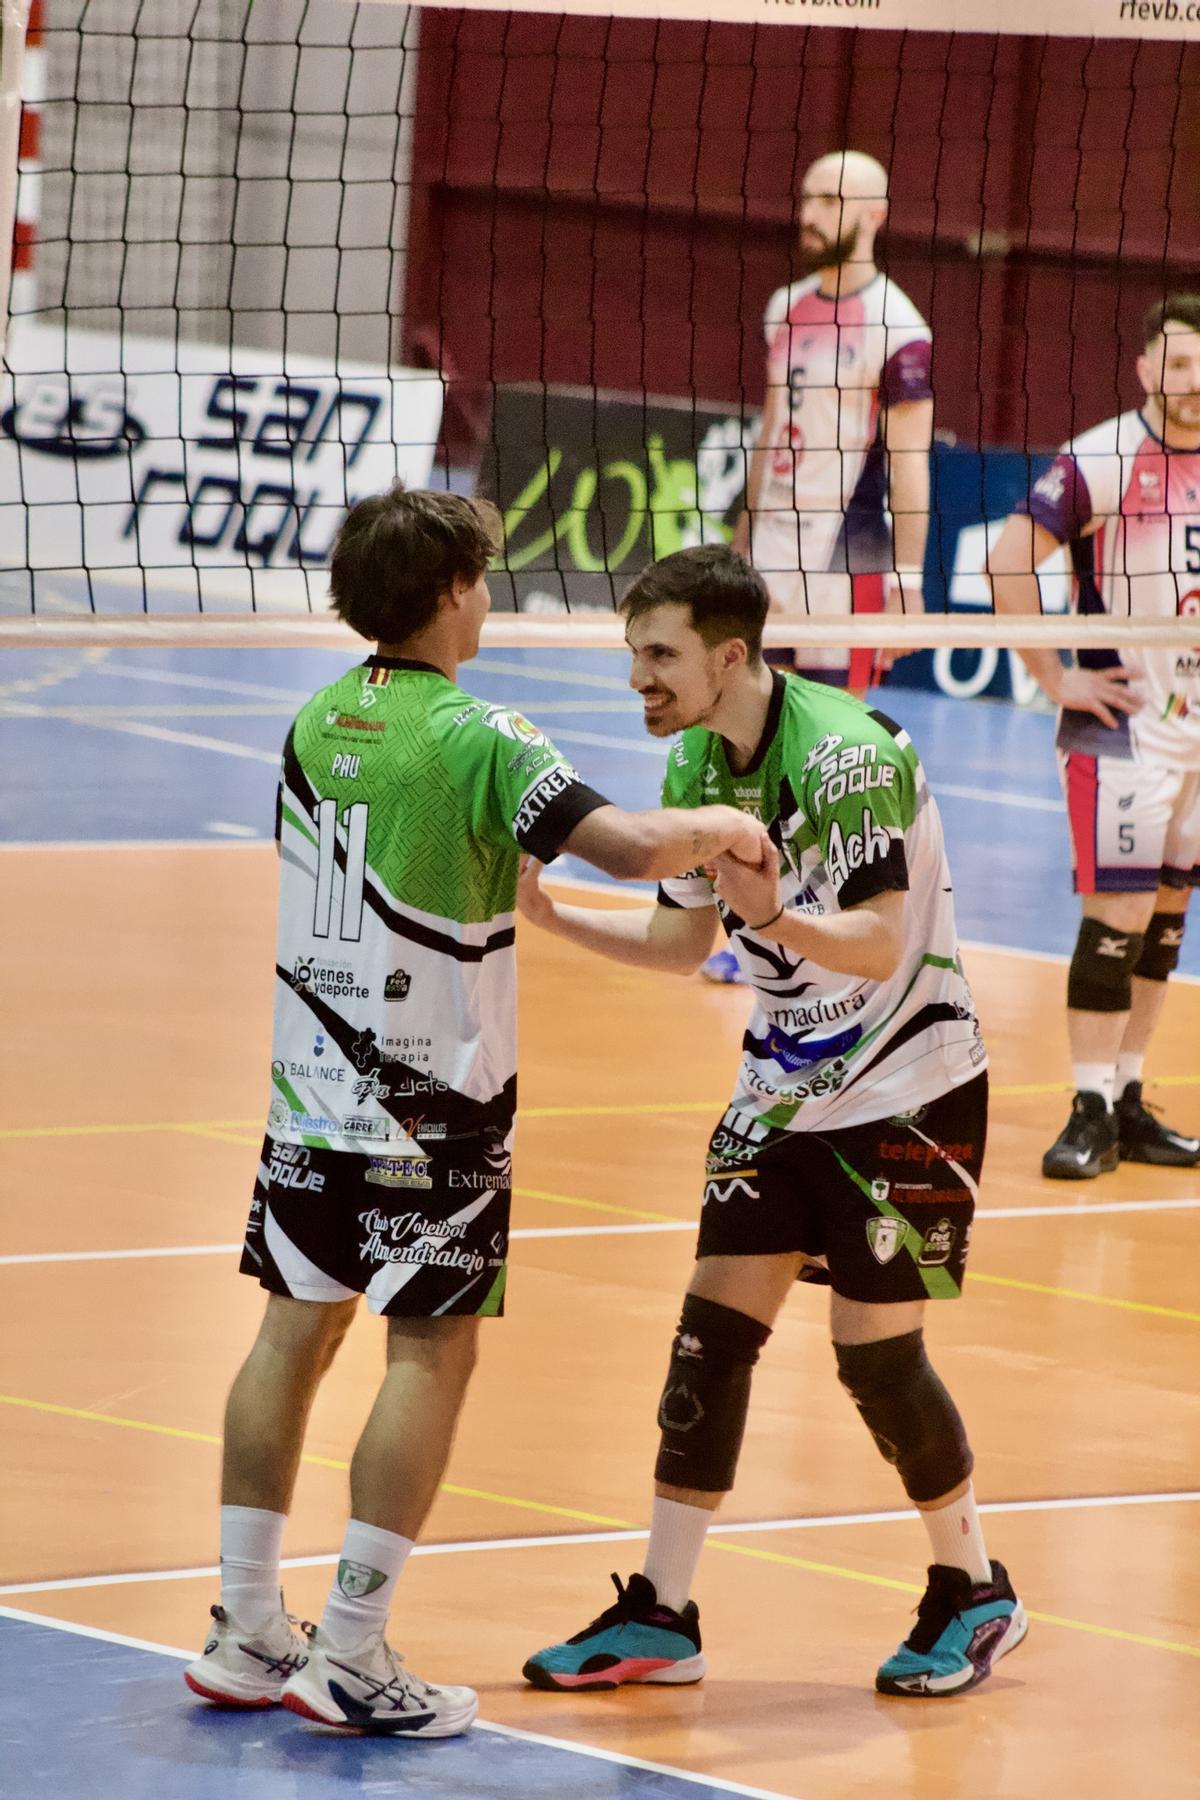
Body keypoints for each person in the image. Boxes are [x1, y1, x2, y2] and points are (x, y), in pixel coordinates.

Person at [182, 486, 770, 1734]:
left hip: (311, 1093)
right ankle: (348, 1648)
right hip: (434, 1104)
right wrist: (722, 820)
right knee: (429, 1350)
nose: (489, 596)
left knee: (291, 1334)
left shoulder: (314, 717)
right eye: (482, 578)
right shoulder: (480, 733)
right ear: (452, 592)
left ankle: (244, 1628)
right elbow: (618, 846)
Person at [518, 544, 1026, 1700]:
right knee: (709, 1338)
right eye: (634, 654)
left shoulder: (843, 759)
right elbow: (680, 945)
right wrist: (548, 915)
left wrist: (778, 914)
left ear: (730, 654)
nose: (638, 680)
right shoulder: (702, 753)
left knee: (877, 1361)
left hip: (911, 1082)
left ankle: (974, 1589)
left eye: (660, 656)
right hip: (783, 1087)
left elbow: (879, 940)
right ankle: (664, 1612)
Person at [703, 149, 933, 986]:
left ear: (875, 214)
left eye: (830, 198)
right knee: (747, 735)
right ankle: (748, 926)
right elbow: (770, 428)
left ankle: (833, 923)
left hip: (849, 563)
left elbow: (910, 461)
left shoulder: (899, 328)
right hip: (771, 557)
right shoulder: (783, 308)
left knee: (832, 749)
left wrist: (907, 578)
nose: (810, 210)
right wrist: (742, 533)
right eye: (805, 193)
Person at [990, 295, 1200, 1180]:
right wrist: (1055, 678)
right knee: (1113, 918)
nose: (1194, 381)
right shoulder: (1102, 457)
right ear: (1147, 367)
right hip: (1121, 729)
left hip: (1197, 736)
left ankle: (1128, 1099)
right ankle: (1085, 1109)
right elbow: (1008, 561)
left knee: (1166, 922)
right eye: (1180, 363)